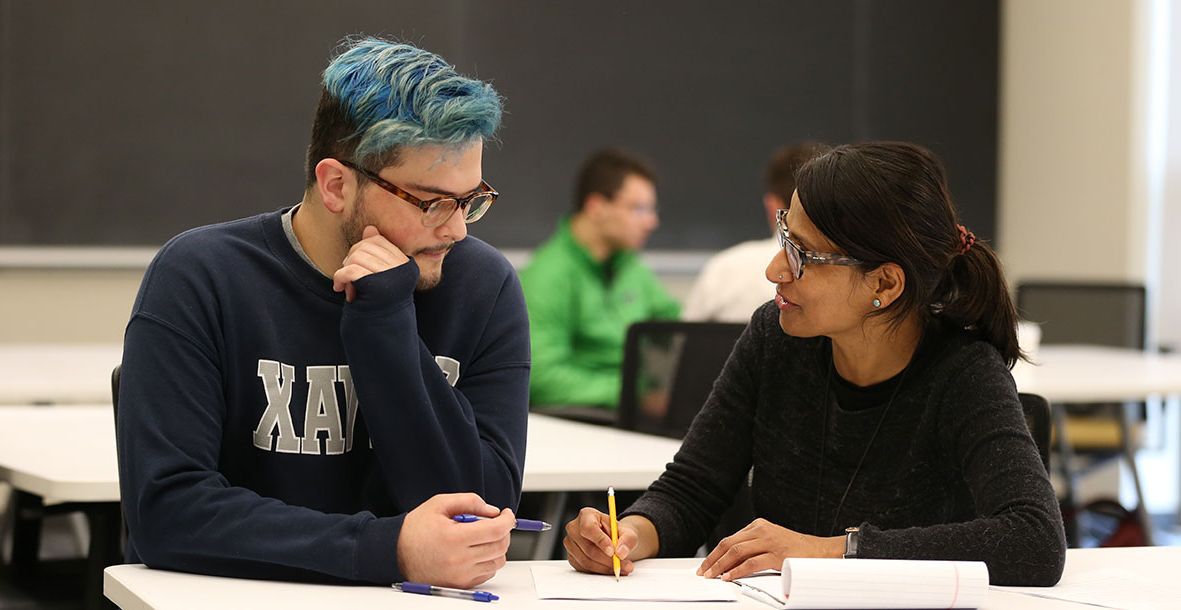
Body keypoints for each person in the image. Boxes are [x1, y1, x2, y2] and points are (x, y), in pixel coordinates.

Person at [117, 38, 530, 589]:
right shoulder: (203, 276)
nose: (456, 228)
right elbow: (167, 512)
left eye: (472, 199)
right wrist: (387, 550)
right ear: (336, 184)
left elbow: (480, 514)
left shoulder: (484, 286)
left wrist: (386, 328)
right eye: (432, 203)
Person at [563, 141, 1066, 586]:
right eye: (785, 238)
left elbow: (1034, 540)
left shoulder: (964, 371)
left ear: (885, 285)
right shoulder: (775, 337)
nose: (775, 269)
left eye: (803, 255)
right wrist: (625, 534)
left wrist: (832, 551)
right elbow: (692, 490)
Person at [519, 148, 680, 410]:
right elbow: (541, 378)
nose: (652, 222)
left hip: (629, 414)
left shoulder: (629, 266)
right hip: (584, 423)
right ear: (596, 207)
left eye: (653, 209)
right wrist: (636, 396)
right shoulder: (548, 275)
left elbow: (676, 326)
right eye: (639, 209)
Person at [683, 141, 819, 322]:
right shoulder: (839, 278)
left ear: (772, 204)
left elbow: (684, 339)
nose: (775, 272)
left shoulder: (724, 269)